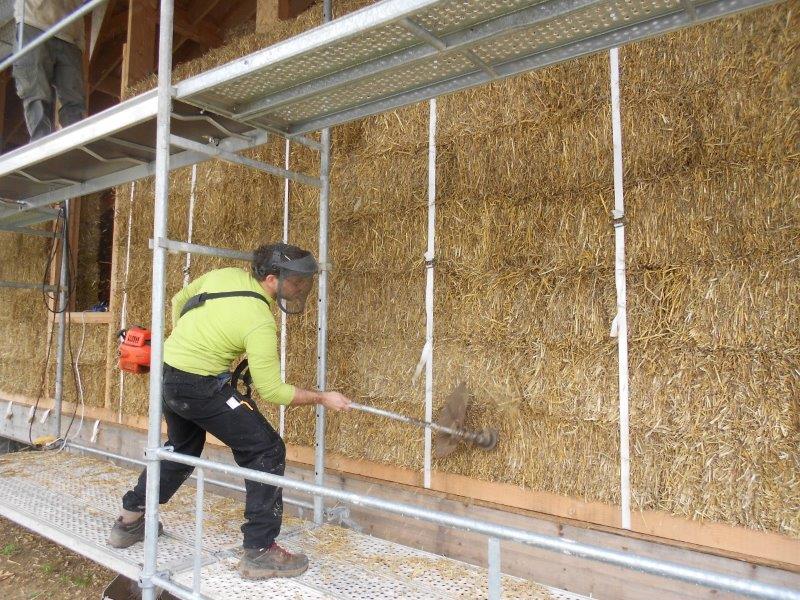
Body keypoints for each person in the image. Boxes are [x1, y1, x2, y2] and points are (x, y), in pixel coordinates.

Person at [108, 243, 352, 580]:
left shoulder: (223, 276)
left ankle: (129, 520)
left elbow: (180, 302)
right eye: (296, 282)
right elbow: (272, 391)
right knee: (267, 450)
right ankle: (260, 550)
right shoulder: (260, 323)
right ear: (270, 279)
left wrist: (198, 340)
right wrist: (323, 397)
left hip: (170, 376)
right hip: (200, 388)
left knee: (182, 450)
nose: (301, 288)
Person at [13, 0, 87, 141]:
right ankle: (40, 146)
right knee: (36, 92)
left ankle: (76, 144)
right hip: (34, 22)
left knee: (74, 99)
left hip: (70, 31)